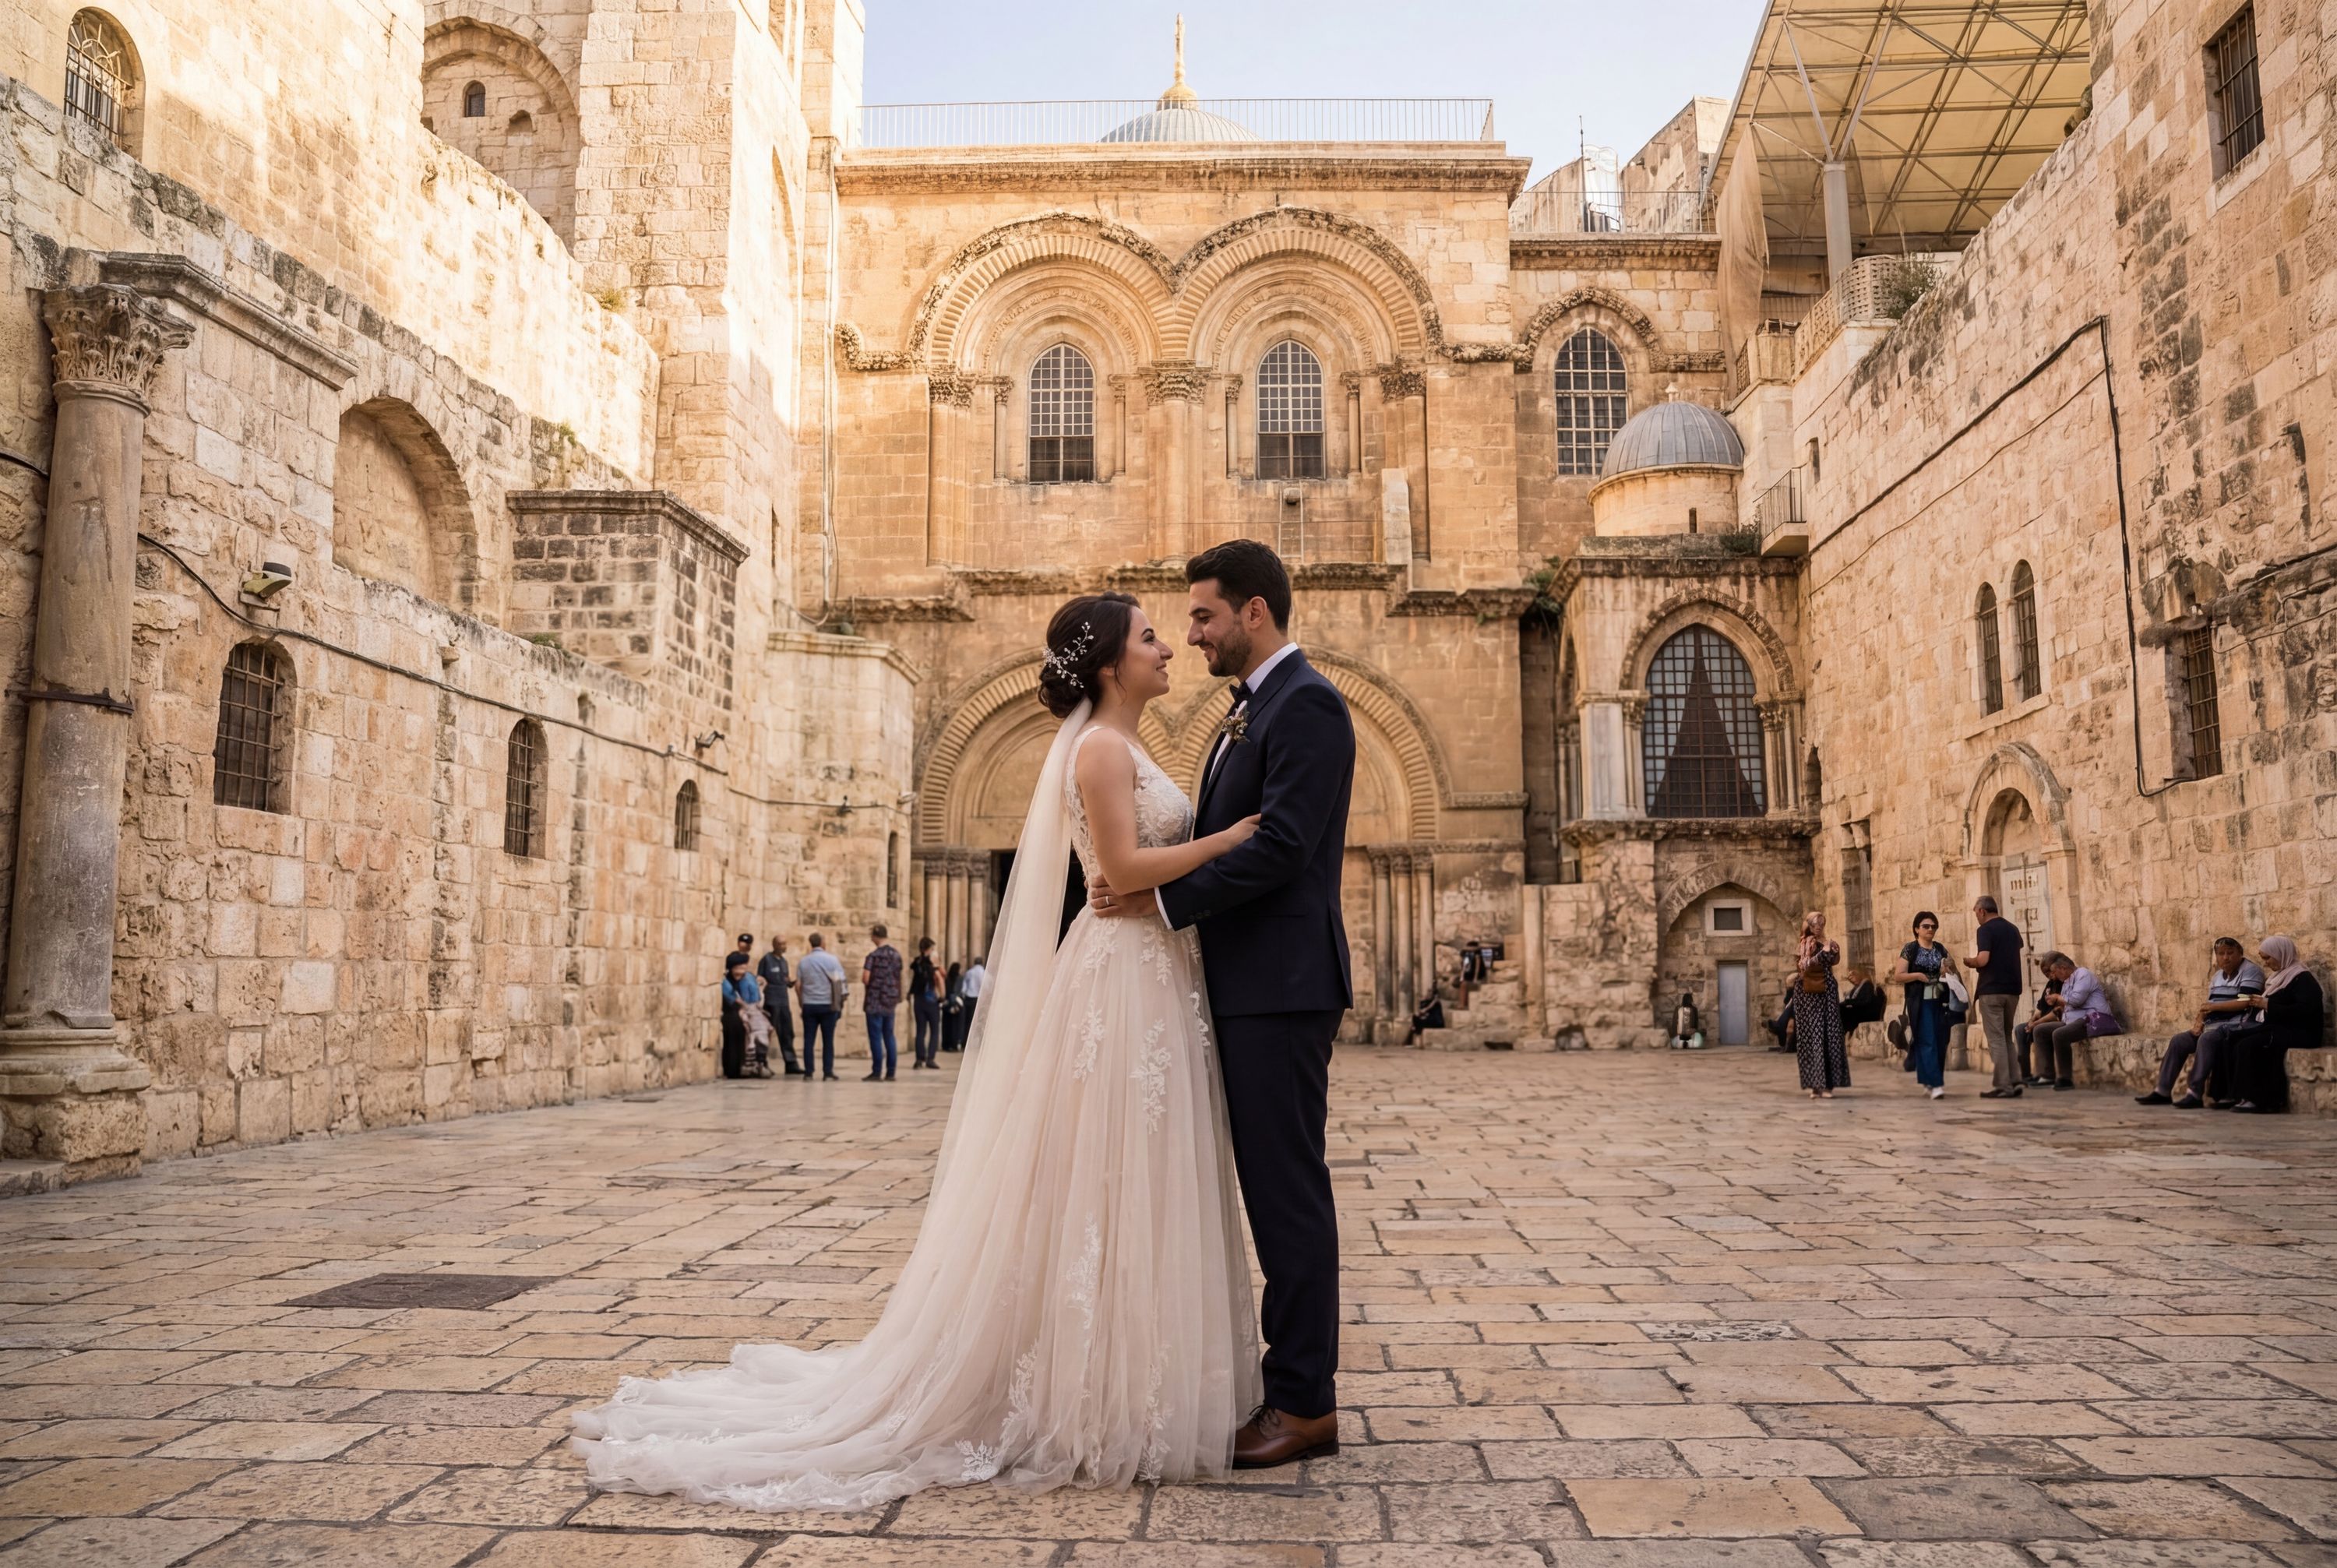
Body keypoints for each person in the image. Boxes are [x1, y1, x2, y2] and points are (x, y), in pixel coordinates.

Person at [575, 586, 1268, 1506]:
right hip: (1123, 973)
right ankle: (1096, 1390)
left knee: (1137, 1166)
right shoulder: (1101, 747)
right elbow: (1118, 870)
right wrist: (1228, 840)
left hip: (1154, 971)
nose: (1167, 649)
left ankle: (1131, 1374)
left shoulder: (1126, 742)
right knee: (1110, 1165)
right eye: (1150, 638)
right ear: (1109, 665)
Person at [1087, 539, 1355, 1468]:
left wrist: (1158, 902)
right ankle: (1284, 1391)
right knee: (1267, 1189)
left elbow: (1281, 845)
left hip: (1280, 988)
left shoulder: (1307, 704)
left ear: (1254, 612)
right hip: (1242, 986)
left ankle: (1304, 1405)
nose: (1191, 633)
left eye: (1202, 615)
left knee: (1286, 1194)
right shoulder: (1251, 710)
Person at [2142, 937, 2265, 1107]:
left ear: (2240, 954)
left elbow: (2245, 1002)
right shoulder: (2216, 977)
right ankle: (2162, 1091)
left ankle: (2194, 1093)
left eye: (2230, 953)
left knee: (2207, 1039)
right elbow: (2207, 1006)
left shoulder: (2251, 971)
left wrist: (2214, 1008)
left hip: (2237, 1025)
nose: (2226, 958)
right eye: (2221, 954)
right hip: (2213, 1025)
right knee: (2179, 1040)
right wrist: (2199, 1022)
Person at [2225, 936, 2326, 1113]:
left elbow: (2304, 1011)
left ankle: (2258, 1100)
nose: (2266, 963)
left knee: (2250, 1046)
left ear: (2281, 954)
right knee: (2232, 1038)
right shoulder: (2279, 978)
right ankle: (2233, 1095)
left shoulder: (2302, 979)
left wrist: (2267, 1005)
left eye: (2268, 958)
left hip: (2301, 1032)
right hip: (2279, 1028)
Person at [1888, 911, 1962, 1099]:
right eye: (1926, 926)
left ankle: (1928, 1079)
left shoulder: (1940, 949)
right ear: (1916, 929)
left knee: (1940, 1040)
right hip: (1920, 1001)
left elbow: (1953, 970)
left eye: (1933, 926)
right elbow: (1898, 976)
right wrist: (1917, 976)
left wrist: (1948, 969)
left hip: (1941, 999)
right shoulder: (1910, 949)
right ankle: (1936, 1084)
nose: (1930, 930)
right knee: (1927, 1038)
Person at [2024, 952, 2119, 1089]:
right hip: (2073, 1021)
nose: (2054, 977)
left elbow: (2075, 1000)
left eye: (2054, 972)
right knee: (2040, 1031)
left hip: (2093, 1019)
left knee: (2059, 1034)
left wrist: (2057, 997)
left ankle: (2065, 1079)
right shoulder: (2067, 981)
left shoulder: (2083, 975)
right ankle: (2046, 1076)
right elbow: (2063, 1008)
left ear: (2063, 967)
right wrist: (2037, 1022)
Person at [1966, 896, 2026, 1098]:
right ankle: (2015, 1079)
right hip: (2013, 990)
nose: (1977, 917)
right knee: (2007, 1037)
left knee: (1996, 1040)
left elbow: (1983, 959)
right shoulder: (2012, 929)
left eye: (1976, 913)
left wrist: (1969, 962)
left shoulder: (1985, 930)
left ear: (1982, 911)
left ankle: (2004, 1086)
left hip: (1991, 991)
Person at [1791, 911, 1849, 1098]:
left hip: (1827, 990)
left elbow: (1835, 961)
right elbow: (1804, 965)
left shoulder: (1827, 941)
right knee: (1812, 1036)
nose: (1818, 927)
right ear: (1808, 925)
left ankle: (1828, 1085)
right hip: (1808, 993)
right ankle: (1816, 1085)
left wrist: (1833, 951)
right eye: (1815, 923)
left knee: (1830, 1035)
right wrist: (1822, 953)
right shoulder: (1805, 943)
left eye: (1821, 923)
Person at [795, 933, 846, 1081]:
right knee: (828, 1040)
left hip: (810, 1005)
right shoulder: (832, 960)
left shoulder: (803, 962)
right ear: (823, 943)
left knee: (808, 1040)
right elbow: (840, 983)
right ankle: (828, 1072)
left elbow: (798, 986)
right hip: (828, 1005)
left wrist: (801, 1003)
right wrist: (840, 1003)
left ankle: (809, 1072)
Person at [2011, 956, 2067, 1087]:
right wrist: (2032, 1020)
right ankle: (2025, 1075)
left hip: (2056, 1020)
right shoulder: (2050, 985)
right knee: (2020, 1029)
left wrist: (2037, 1023)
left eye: (2050, 972)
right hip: (2044, 1019)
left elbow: (2058, 1012)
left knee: (2038, 1029)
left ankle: (2046, 1075)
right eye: (2046, 974)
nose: (2049, 976)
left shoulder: (2065, 984)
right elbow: (2040, 1009)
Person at [861, 925, 903, 1082]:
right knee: (889, 1036)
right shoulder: (896, 955)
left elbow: (865, 977)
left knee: (876, 1037)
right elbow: (899, 977)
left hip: (874, 1001)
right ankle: (891, 1072)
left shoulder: (873, 956)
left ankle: (877, 1071)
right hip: (890, 1001)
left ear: (876, 936)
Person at [721, 952, 774, 1079]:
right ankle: (743, 1065)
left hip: (752, 1009)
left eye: (743, 968)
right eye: (738, 969)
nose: (741, 972)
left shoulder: (749, 978)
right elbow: (733, 1000)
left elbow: (755, 996)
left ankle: (760, 1061)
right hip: (734, 1011)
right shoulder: (726, 982)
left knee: (767, 1028)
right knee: (743, 1026)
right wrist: (743, 1010)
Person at [759, 936, 803, 1077]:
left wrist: (792, 982)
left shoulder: (784, 962)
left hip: (783, 1001)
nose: (783, 946)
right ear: (774, 945)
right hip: (772, 1001)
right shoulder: (766, 960)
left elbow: (785, 980)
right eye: (780, 944)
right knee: (768, 1032)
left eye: (785, 943)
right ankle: (761, 1063)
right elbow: (760, 979)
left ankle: (791, 1063)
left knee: (787, 1032)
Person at [908, 938, 943, 1070]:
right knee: (934, 1030)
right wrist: (943, 996)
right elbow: (939, 978)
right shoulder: (931, 964)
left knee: (920, 1030)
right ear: (928, 949)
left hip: (919, 1000)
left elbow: (915, 981)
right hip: (931, 1000)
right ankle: (931, 1059)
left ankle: (919, 1059)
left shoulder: (917, 962)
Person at [955, 954, 985, 1052]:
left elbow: (964, 987)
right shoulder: (984, 973)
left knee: (968, 1021)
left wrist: (962, 995)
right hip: (978, 999)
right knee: (978, 1022)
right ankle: (976, 1043)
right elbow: (987, 987)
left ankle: (965, 1043)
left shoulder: (969, 972)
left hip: (969, 998)